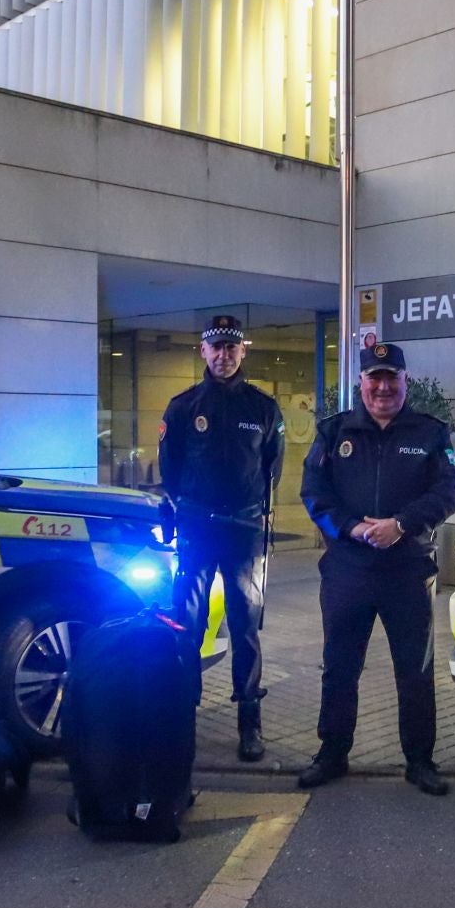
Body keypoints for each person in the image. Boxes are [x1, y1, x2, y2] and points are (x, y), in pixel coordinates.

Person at [297, 343, 455, 795]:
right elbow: (313, 492)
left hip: (406, 571)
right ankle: (332, 755)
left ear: (405, 381)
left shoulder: (431, 433)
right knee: (339, 667)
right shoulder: (335, 432)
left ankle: (420, 761)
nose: (383, 387)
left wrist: (400, 526)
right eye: (375, 378)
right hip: (348, 570)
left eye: (392, 378)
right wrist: (351, 529)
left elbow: (446, 494)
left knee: (414, 671)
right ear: (362, 383)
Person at [159, 315, 284, 762]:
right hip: (196, 529)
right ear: (204, 352)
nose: (224, 355)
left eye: (232, 348)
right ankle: (180, 715)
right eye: (217, 347)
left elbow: (273, 468)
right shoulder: (182, 407)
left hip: (245, 532)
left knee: (245, 628)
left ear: (242, 352)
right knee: (187, 626)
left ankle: (249, 722)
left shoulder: (264, 408)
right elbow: (169, 468)